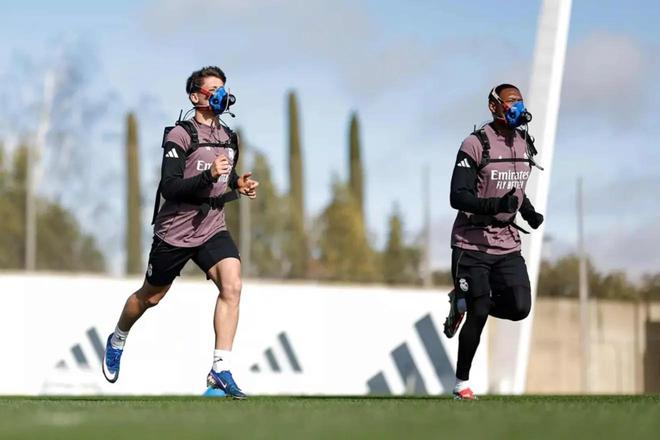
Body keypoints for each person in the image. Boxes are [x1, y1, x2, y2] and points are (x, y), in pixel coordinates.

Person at [102, 66, 258, 399]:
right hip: (175, 231)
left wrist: (238, 184)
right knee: (150, 297)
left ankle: (220, 369)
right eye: (213, 89)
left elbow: (224, 177)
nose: (221, 94)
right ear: (195, 96)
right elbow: (170, 187)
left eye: (223, 88)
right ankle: (118, 337)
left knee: (232, 285)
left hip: (212, 226)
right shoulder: (180, 135)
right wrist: (207, 176)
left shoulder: (229, 137)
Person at [443, 83, 545, 400]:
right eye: (510, 101)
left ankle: (465, 302)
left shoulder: (524, 142)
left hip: (507, 245)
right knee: (481, 308)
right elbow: (457, 196)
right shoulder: (475, 144)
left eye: (520, 101)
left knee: (520, 307)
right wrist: (495, 206)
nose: (517, 106)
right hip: (471, 244)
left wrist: (528, 212)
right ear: (494, 106)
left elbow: (516, 188)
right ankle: (461, 384)